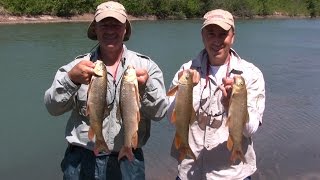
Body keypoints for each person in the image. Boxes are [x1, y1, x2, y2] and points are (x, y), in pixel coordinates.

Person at [44, 1, 168, 179]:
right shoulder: (77, 67)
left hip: (128, 161)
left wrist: (146, 88)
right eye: (104, 24)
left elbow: (160, 112)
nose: (110, 30)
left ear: (125, 29)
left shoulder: (146, 67)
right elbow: (52, 108)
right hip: (81, 160)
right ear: (95, 28)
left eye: (116, 24)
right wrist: (70, 80)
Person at [167, 9, 265, 180]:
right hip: (190, 173)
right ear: (202, 36)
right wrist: (187, 89)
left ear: (232, 37)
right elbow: (171, 117)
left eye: (223, 34)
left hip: (232, 174)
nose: (217, 40)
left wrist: (232, 105)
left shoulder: (251, 74)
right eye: (211, 33)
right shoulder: (186, 71)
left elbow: (250, 130)